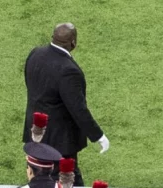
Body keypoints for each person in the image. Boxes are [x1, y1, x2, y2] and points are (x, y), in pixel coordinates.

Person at [24, 23, 109, 187]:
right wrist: (98, 135)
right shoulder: (69, 70)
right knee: (67, 178)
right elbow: (78, 108)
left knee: (40, 176)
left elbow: (31, 84)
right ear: (73, 42)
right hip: (60, 140)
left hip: (35, 131)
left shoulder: (35, 53)